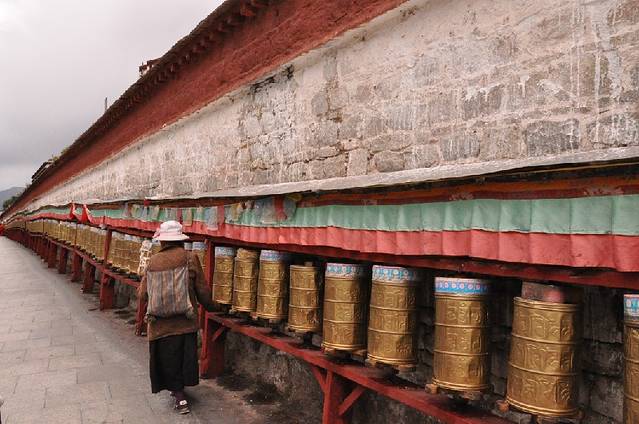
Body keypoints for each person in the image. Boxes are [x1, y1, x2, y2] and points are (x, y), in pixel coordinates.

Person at [137, 220, 214, 414]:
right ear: (180, 240)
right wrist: (214, 307)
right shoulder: (190, 258)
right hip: (185, 322)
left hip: (159, 325)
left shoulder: (153, 261)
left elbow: (142, 294)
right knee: (183, 358)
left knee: (167, 359)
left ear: (162, 241)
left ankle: (179, 396)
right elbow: (202, 291)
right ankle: (180, 395)